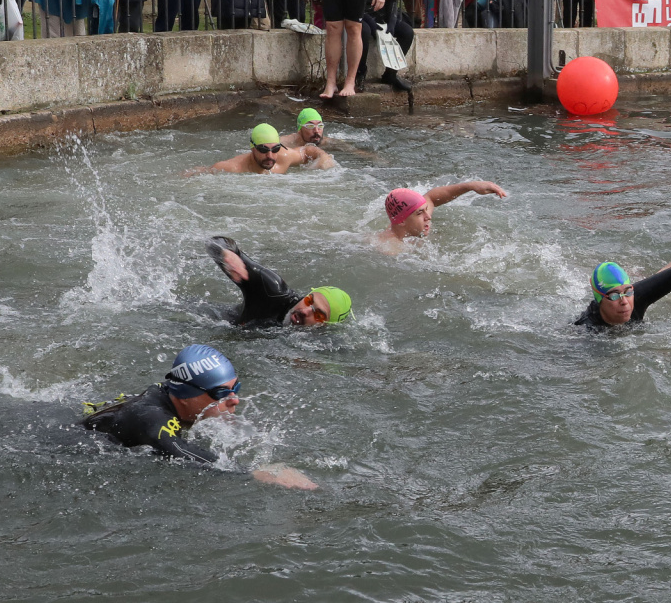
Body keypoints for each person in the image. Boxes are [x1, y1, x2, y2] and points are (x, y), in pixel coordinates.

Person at [81, 343, 318, 488]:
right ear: (185, 395)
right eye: (221, 393)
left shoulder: (172, 395)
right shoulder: (152, 420)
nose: (234, 400)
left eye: (236, 389)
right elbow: (180, 452)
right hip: (65, 443)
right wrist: (254, 473)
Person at [206, 236, 351, 327]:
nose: (306, 311)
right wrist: (228, 254)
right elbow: (214, 242)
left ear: (325, 325)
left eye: (318, 315)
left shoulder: (322, 343)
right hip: (212, 320)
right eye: (309, 301)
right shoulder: (272, 290)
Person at [374, 182, 509, 251]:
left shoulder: (412, 222)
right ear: (402, 220)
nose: (428, 217)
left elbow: (431, 197)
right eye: (420, 213)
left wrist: (471, 186)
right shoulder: (390, 249)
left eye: (426, 210)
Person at [193, 123, 334, 175]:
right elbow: (203, 171)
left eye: (275, 149)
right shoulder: (233, 168)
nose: (270, 155)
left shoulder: (284, 157)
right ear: (252, 148)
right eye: (263, 150)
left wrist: (323, 157)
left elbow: (307, 150)